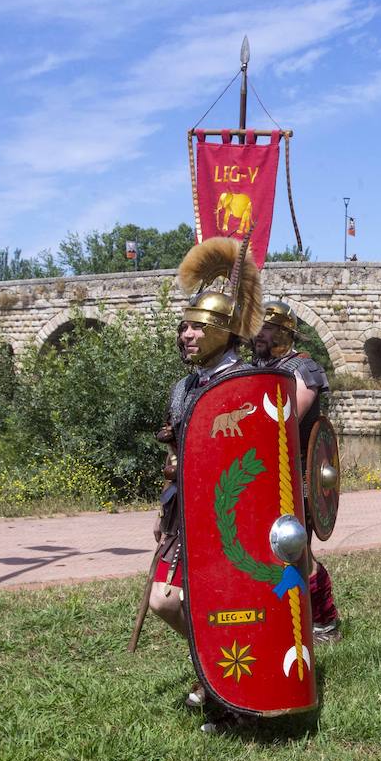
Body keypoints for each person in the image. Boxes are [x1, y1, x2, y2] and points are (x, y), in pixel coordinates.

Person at [150, 236, 261, 714]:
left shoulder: (245, 385)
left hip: (229, 516)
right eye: (184, 328)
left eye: (197, 329)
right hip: (184, 510)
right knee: (165, 601)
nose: (186, 336)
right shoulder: (186, 385)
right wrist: (164, 501)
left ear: (223, 332)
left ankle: (228, 680)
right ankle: (211, 667)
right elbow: (177, 448)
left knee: (222, 601)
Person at [250, 300, 341, 643]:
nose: (259, 334)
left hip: (296, 472)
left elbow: (285, 419)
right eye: (257, 327)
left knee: (298, 549)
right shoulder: (255, 368)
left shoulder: (303, 368)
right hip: (262, 471)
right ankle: (283, 616)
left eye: (267, 328)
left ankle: (325, 620)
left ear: (285, 332)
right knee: (269, 549)